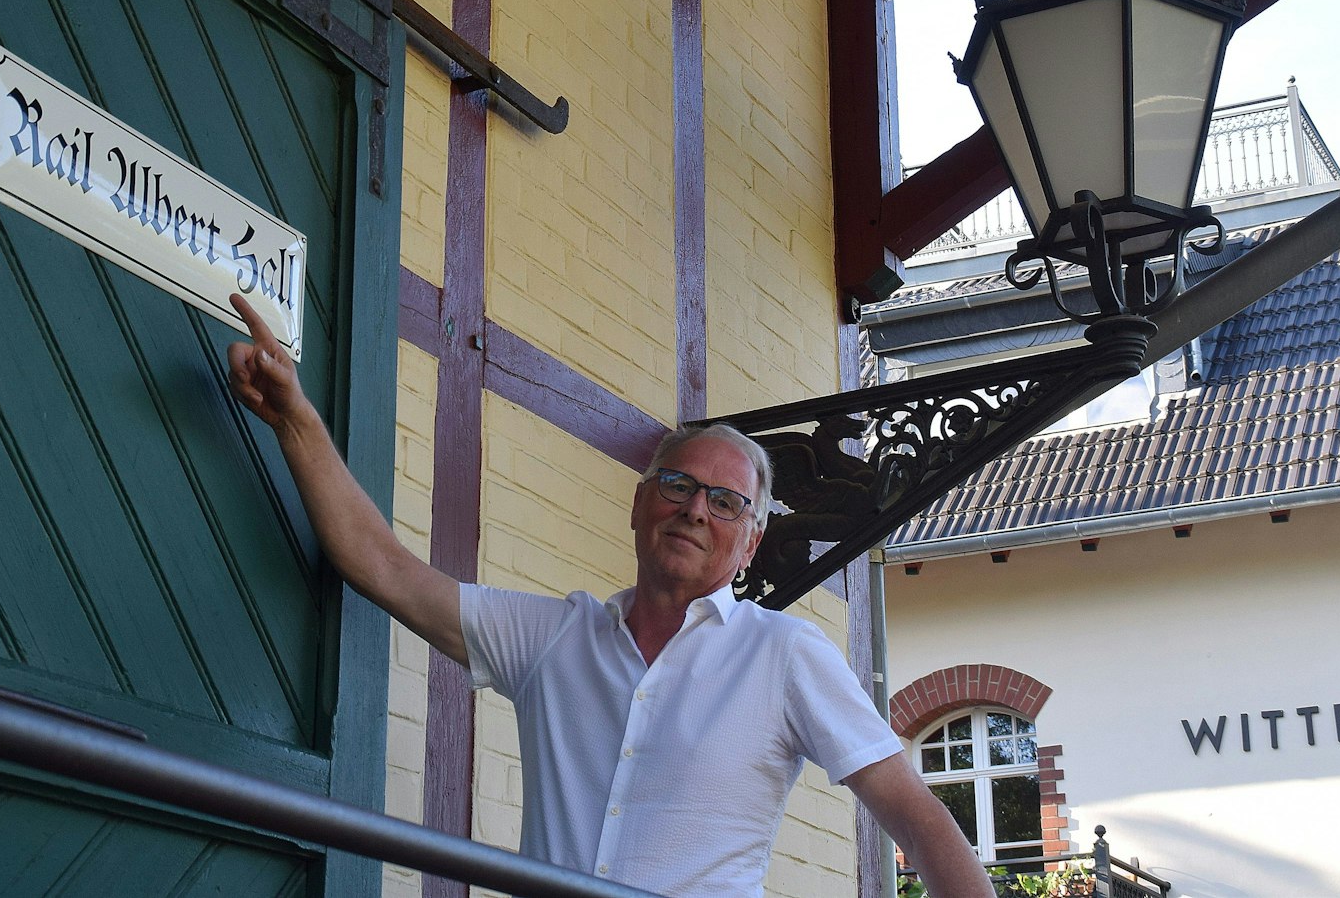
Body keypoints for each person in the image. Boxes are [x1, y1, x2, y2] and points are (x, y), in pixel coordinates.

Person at [226, 294, 994, 898]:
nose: (697, 509)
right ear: (639, 503)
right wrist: (298, 422)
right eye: (678, 486)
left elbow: (914, 814)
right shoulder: (553, 638)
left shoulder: (785, 654)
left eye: (727, 503)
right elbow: (384, 566)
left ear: (752, 540)